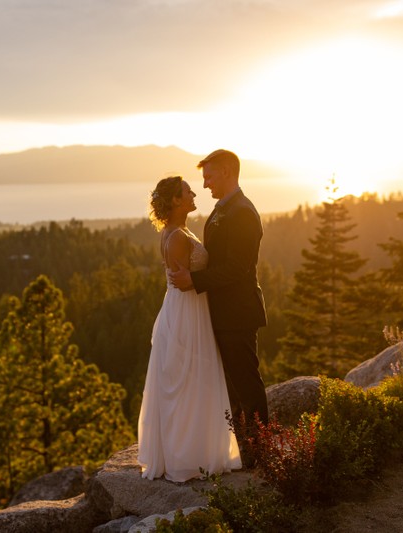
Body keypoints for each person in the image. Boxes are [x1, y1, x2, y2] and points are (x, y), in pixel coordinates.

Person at [137, 175, 241, 482]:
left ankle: (186, 451)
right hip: (187, 312)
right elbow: (182, 282)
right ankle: (189, 456)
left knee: (186, 381)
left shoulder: (176, 231)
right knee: (191, 380)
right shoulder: (179, 237)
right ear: (175, 201)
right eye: (187, 191)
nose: (194, 193)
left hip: (183, 309)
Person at [168, 149, 269, 462]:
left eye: (209, 176)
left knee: (245, 382)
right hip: (222, 312)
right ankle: (243, 449)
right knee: (231, 386)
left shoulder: (242, 212)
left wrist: (196, 282)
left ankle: (261, 450)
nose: (205, 183)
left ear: (227, 172)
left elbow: (238, 267)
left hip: (238, 312)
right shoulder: (224, 209)